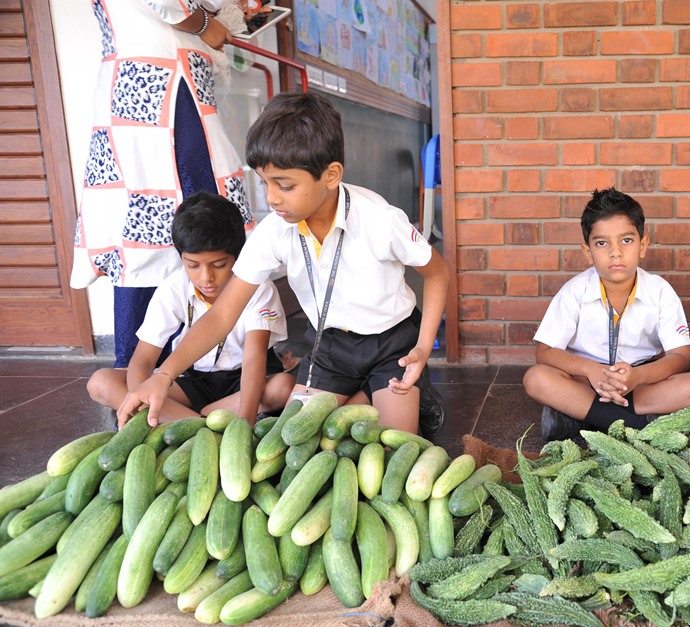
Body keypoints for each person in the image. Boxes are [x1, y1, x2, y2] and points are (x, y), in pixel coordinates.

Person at [116, 92, 449, 438]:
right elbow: (221, 314)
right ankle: (364, 394)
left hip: (392, 343)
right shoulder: (274, 230)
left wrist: (422, 348)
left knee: (394, 445)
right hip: (328, 347)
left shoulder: (380, 219)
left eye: (285, 185)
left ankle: (402, 394)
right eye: (264, 182)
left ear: (331, 175)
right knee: (295, 442)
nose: (271, 197)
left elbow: (438, 273)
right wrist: (163, 375)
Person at [72, 1, 252, 369]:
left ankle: (155, 368)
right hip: (160, 82)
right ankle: (189, 365)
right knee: (181, 223)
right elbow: (170, 4)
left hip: (161, 76)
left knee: (147, 229)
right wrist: (207, 24)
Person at [88, 192, 294, 423]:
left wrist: (244, 425)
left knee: (283, 387)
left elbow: (254, 361)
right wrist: (139, 398)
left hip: (243, 382)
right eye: (193, 265)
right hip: (192, 381)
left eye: (219, 264)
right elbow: (143, 359)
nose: (206, 278)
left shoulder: (259, 288)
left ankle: (184, 421)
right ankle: (203, 423)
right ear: (181, 258)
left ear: (238, 256)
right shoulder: (173, 287)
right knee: (101, 382)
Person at [523, 188, 690, 441]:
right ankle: (638, 427)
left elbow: (681, 356)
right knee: (536, 378)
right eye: (602, 243)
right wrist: (591, 370)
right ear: (587, 251)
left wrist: (638, 376)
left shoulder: (660, 291)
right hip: (588, 380)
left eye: (626, 240)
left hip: (641, 382)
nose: (615, 252)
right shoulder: (575, 291)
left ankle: (585, 418)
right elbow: (544, 352)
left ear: (643, 245)